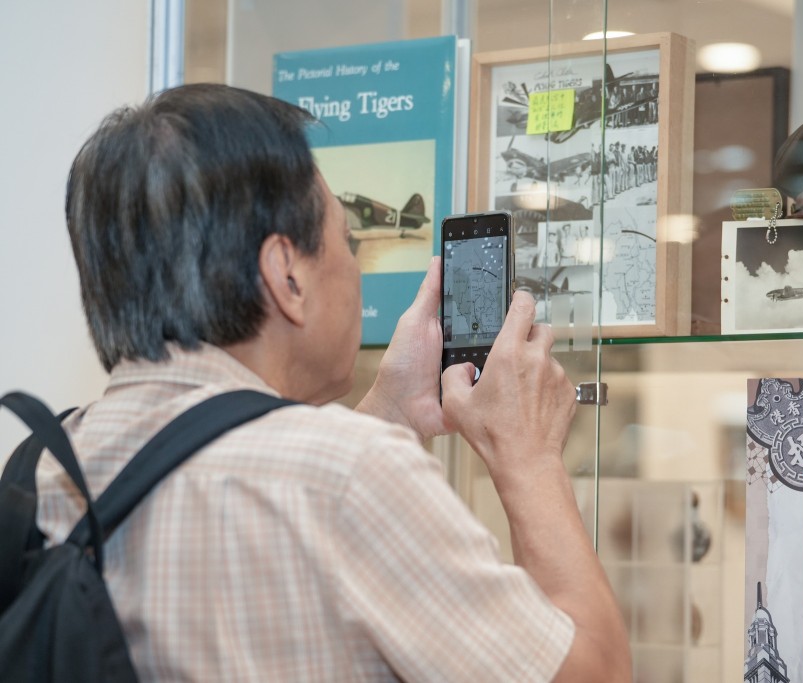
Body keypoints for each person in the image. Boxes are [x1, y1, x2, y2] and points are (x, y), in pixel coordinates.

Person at [34, 83, 629, 681]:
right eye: (347, 241)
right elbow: (595, 673)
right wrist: (527, 457)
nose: (355, 266)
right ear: (286, 276)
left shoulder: (38, 470)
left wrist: (392, 409)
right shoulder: (351, 479)